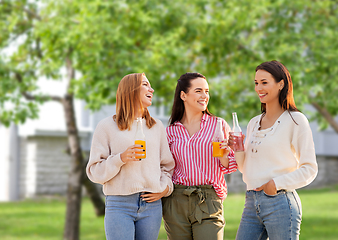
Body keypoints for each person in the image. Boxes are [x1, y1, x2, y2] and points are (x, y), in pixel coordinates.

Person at [230, 60, 318, 240]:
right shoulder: (254, 122)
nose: (258, 88)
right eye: (256, 83)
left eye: (264, 82)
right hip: (251, 202)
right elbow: (245, 168)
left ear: (281, 84)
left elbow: (309, 169)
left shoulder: (296, 120)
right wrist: (237, 148)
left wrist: (274, 185)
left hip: (280, 202)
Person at [86, 73, 175, 240]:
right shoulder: (107, 126)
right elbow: (94, 171)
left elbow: (167, 166)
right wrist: (121, 158)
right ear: (131, 90)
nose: (152, 89)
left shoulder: (156, 126)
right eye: (145, 85)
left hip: (151, 205)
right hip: (119, 204)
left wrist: (164, 188)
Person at [163, 72, 238, 240]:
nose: (205, 96)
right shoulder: (170, 131)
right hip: (176, 201)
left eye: (207, 91)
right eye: (198, 91)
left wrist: (225, 154)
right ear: (183, 95)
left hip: (209, 199)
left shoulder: (218, 125)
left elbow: (229, 165)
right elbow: (165, 168)